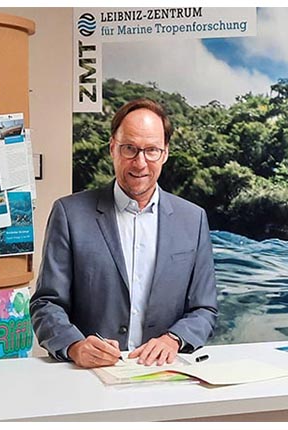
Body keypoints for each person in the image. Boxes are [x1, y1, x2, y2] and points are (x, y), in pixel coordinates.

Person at [31, 98, 218, 368]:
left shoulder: (193, 219)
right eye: (129, 148)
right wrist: (75, 346)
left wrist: (173, 339)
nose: (140, 163)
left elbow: (205, 309)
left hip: (166, 373)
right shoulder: (69, 214)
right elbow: (46, 303)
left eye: (151, 150)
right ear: (112, 149)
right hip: (89, 376)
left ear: (164, 153)